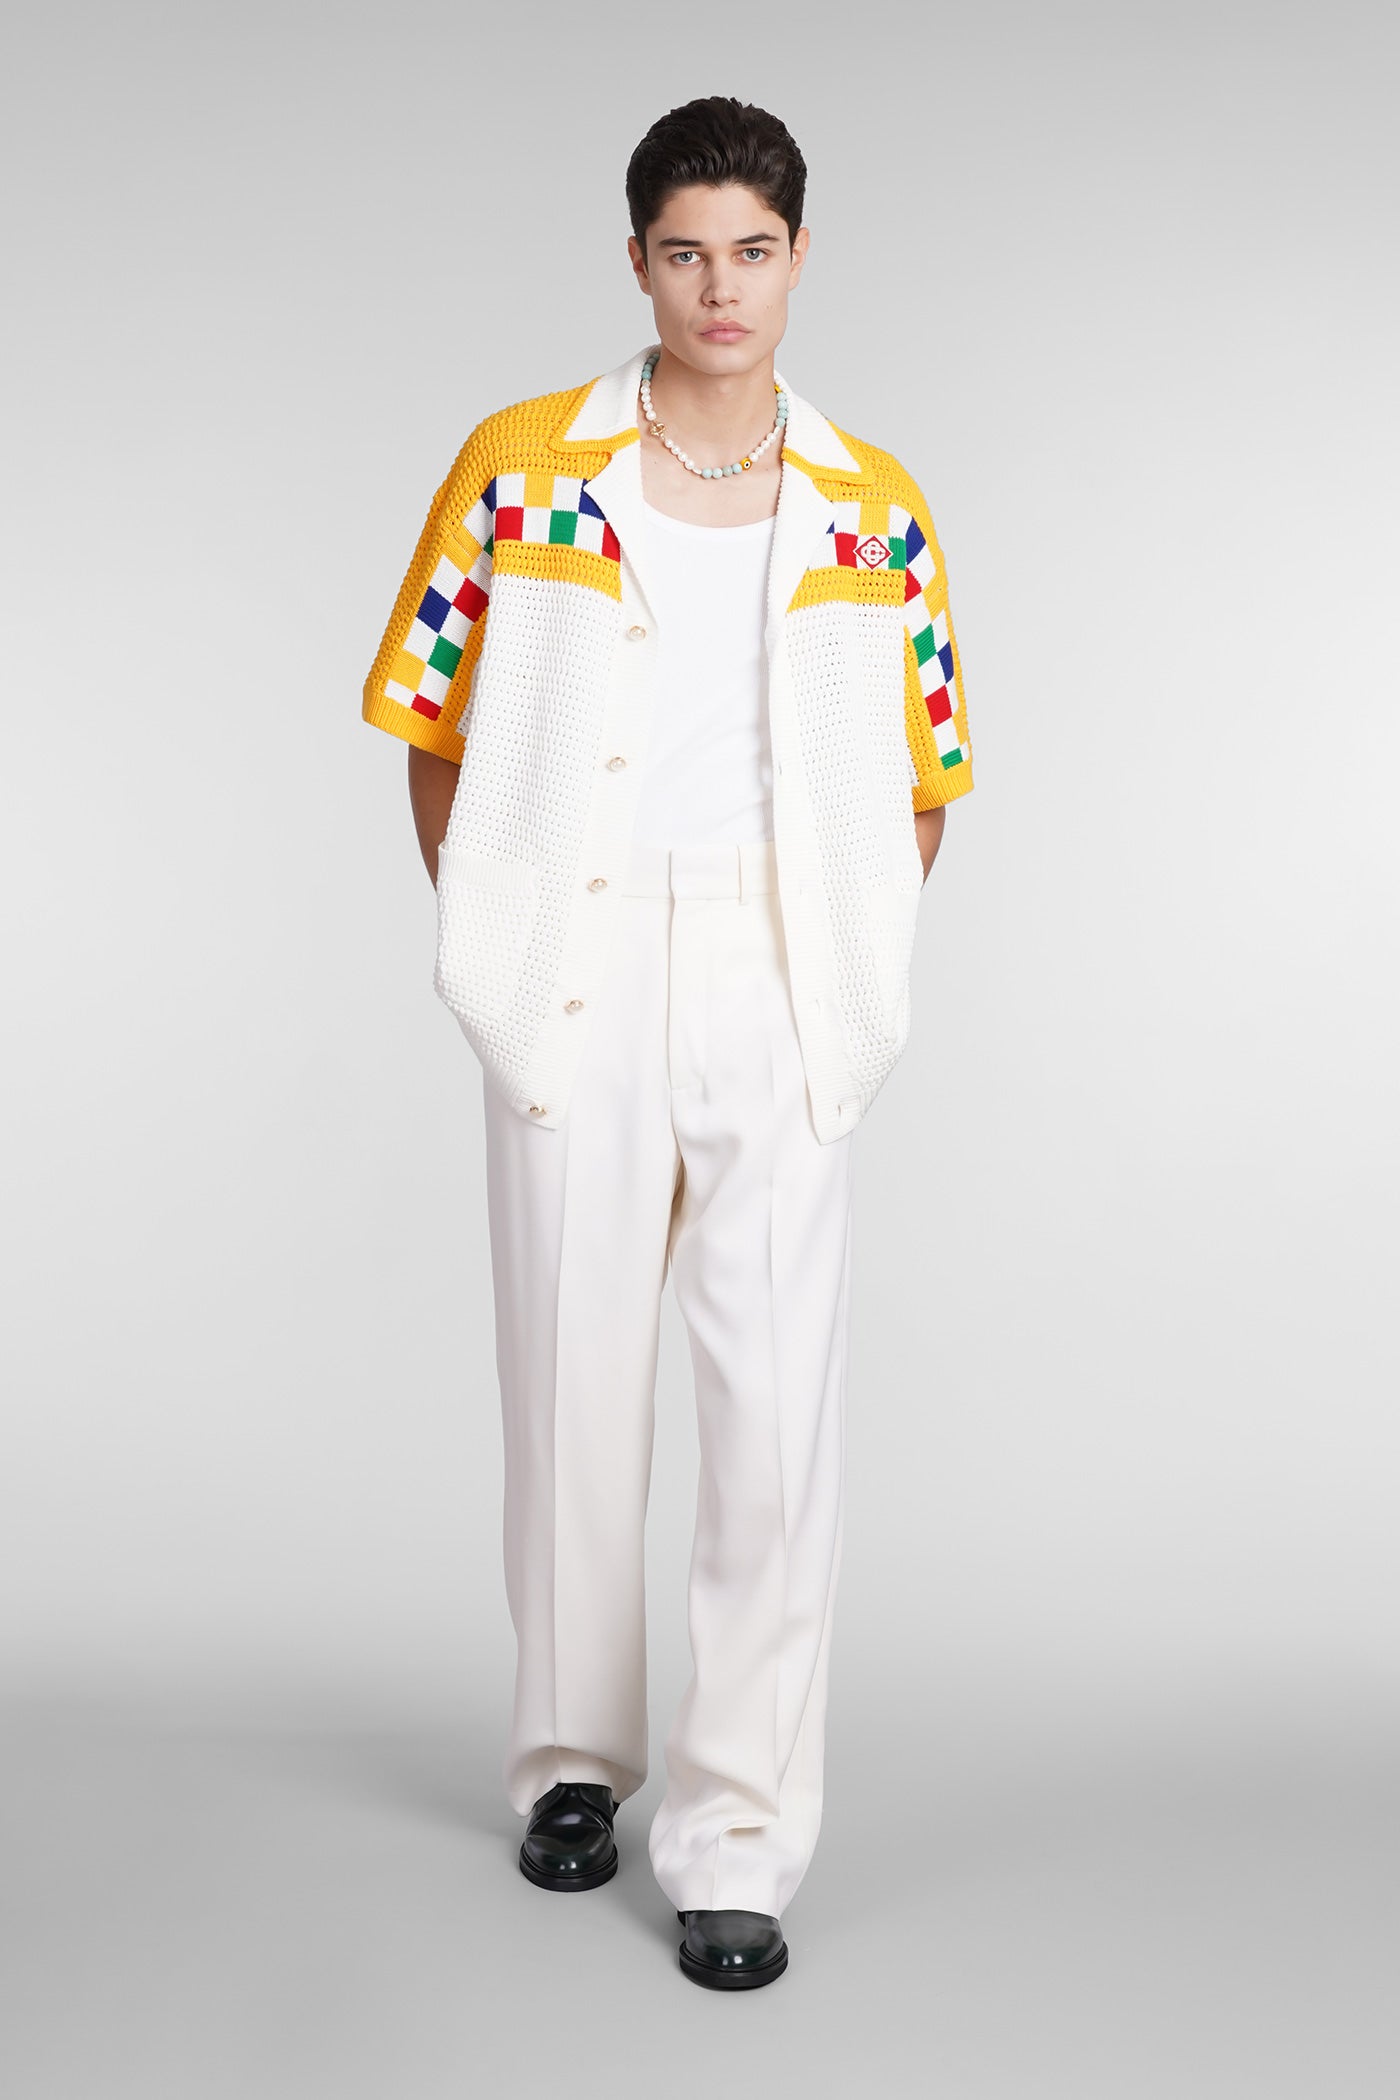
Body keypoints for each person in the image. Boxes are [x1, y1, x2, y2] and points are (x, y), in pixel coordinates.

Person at [360, 94, 975, 1990]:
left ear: (801, 259)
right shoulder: (524, 469)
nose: (722, 287)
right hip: (581, 949)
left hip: (782, 962)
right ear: (636, 260)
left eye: (754, 251)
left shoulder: (873, 502)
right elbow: (433, 720)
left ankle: (740, 1839)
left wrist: (841, 949)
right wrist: (505, 929)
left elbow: (927, 765)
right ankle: (571, 1760)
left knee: (775, 1418)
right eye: (687, 251)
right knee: (570, 1376)